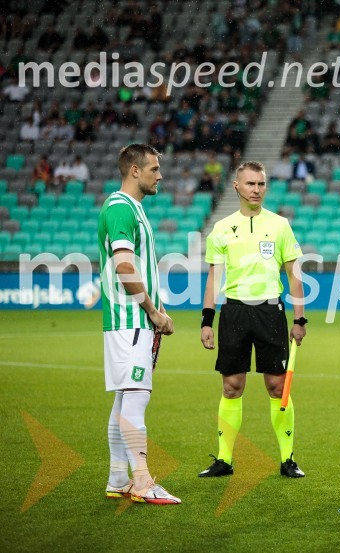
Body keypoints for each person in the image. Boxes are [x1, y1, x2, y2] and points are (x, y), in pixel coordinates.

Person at [199, 161, 307, 479]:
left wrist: (300, 319)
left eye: (261, 184)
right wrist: (207, 321)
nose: (256, 190)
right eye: (250, 184)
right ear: (236, 186)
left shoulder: (280, 225)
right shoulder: (221, 229)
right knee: (232, 387)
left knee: (277, 387)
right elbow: (213, 279)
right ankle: (224, 459)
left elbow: (294, 275)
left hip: (270, 312)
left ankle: (288, 459)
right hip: (233, 313)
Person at [98, 143, 179, 504]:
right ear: (134, 170)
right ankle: (143, 481)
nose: (159, 175)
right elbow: (124, 267)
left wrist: (156, 311)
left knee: (123, 401)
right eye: (154, 169)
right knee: (135, 399)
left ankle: (118, 479)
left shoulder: (133, 209)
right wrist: (152, 310)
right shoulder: (120, 208)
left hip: (131, 322)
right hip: (130, 320)